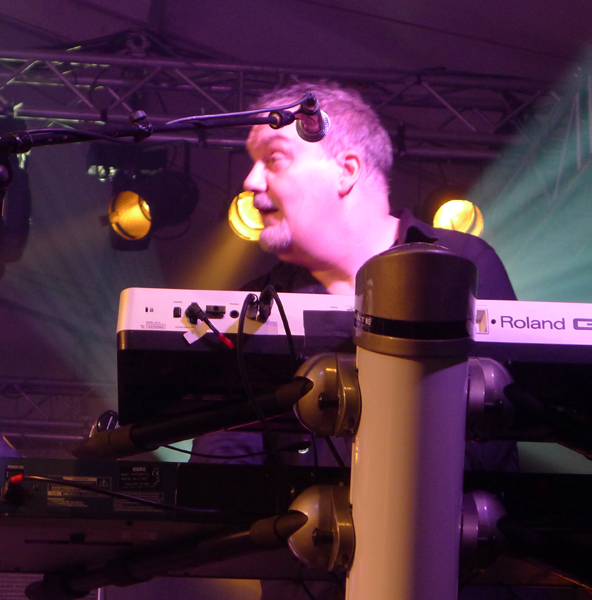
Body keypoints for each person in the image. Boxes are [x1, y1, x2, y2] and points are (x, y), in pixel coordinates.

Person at [192, 81, 519, 599]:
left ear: (346, 170)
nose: (251, 181)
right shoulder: (254, 309)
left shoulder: (462, 266)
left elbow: (486, 443)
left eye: (273, 159)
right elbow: (219, 479)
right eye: (252, 163)